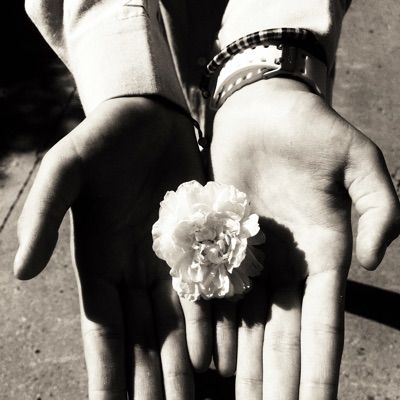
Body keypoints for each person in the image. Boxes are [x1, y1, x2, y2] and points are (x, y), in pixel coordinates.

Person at [15, 1, 400, 399]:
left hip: (283, 66)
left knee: (291, 273)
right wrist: (126, 73)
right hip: (162, 28)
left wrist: (274, 66)